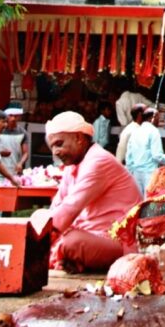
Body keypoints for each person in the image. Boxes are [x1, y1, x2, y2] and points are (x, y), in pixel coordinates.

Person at [31, 110, 141, 273]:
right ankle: (66, 258)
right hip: (90, 233)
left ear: (78, 138)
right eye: (52, 146)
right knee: (39, 216)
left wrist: (36, 245)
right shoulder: (73, 165)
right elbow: (57, 206)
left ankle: (58, 255)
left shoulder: (98, 161)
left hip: (117, 241)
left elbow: (70, 208)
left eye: (59, 144)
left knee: (71, 243)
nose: (55, 152)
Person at [126, 106, 165, 196]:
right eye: (158, 117)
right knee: (148, 201)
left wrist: (132, 171)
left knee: (138, 202)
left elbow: (129, 157)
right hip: (149, 173)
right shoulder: (154, 131)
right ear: (152, 118)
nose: (158, 121)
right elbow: (157, 155)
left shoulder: (135, 132)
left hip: (136, 173)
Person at [0, 103, 30, 174]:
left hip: (15, 170)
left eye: (16, 116)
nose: (13, 118)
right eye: (11, 115)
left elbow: (25, 153)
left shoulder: (23, 132)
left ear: (20, 117)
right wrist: (0, 153)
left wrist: (21, 163)